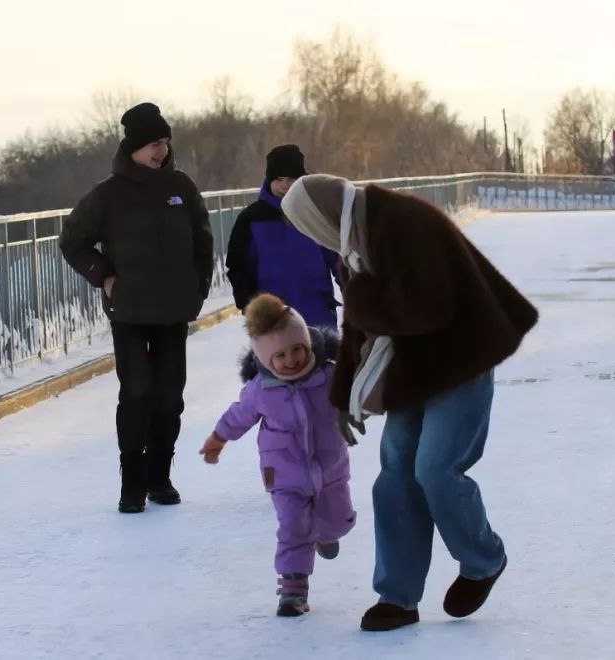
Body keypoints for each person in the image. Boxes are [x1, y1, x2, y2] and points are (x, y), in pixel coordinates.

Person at [281, 174, 539, 631]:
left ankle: (483, 560)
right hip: (413, 367)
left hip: (463, 357)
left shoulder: (403, 222)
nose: (313, 237)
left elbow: (426, 308)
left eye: (308, 226)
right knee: (395, 475)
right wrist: (342, 396)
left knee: (436, 469)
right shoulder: (355, 240)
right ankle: (397, 597)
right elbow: (359, 327)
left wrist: (359, 296)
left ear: (322, 216)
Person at [59, 102, 214, 514]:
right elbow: (71, 241)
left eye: (165, 142)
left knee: (169, 397)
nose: (161, 151)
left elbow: (203, 241)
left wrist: (198, 288)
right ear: (133, 148)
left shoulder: (182, 188)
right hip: (128, 312)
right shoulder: (107, 195)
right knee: (137, 393)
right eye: (153, 144)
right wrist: (104, 276)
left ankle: (159, 478)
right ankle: (132, 484)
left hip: (173, 311)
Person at [199, 293, 356, 617]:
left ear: (308, 344)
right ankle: (292, 591)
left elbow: (353, 393)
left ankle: (324, 534)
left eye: (297, 349)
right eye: (280, 355)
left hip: (330, 467)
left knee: (338, 521)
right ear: (265, 358)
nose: (291, 360)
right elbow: (239, 415)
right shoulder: (261, 389)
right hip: (284, 471)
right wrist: (218, 438)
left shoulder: (328, 375)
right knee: (292, 526)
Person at [225, 145, 340, 326]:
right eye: (279, 179)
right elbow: (237, 265)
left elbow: (339, 260)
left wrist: (355, 296)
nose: (285, 186)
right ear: (269, 179)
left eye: (292, 179)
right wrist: (248, 304)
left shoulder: (317, 213)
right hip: (271, 318)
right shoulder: (251, 218)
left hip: (318, 313)